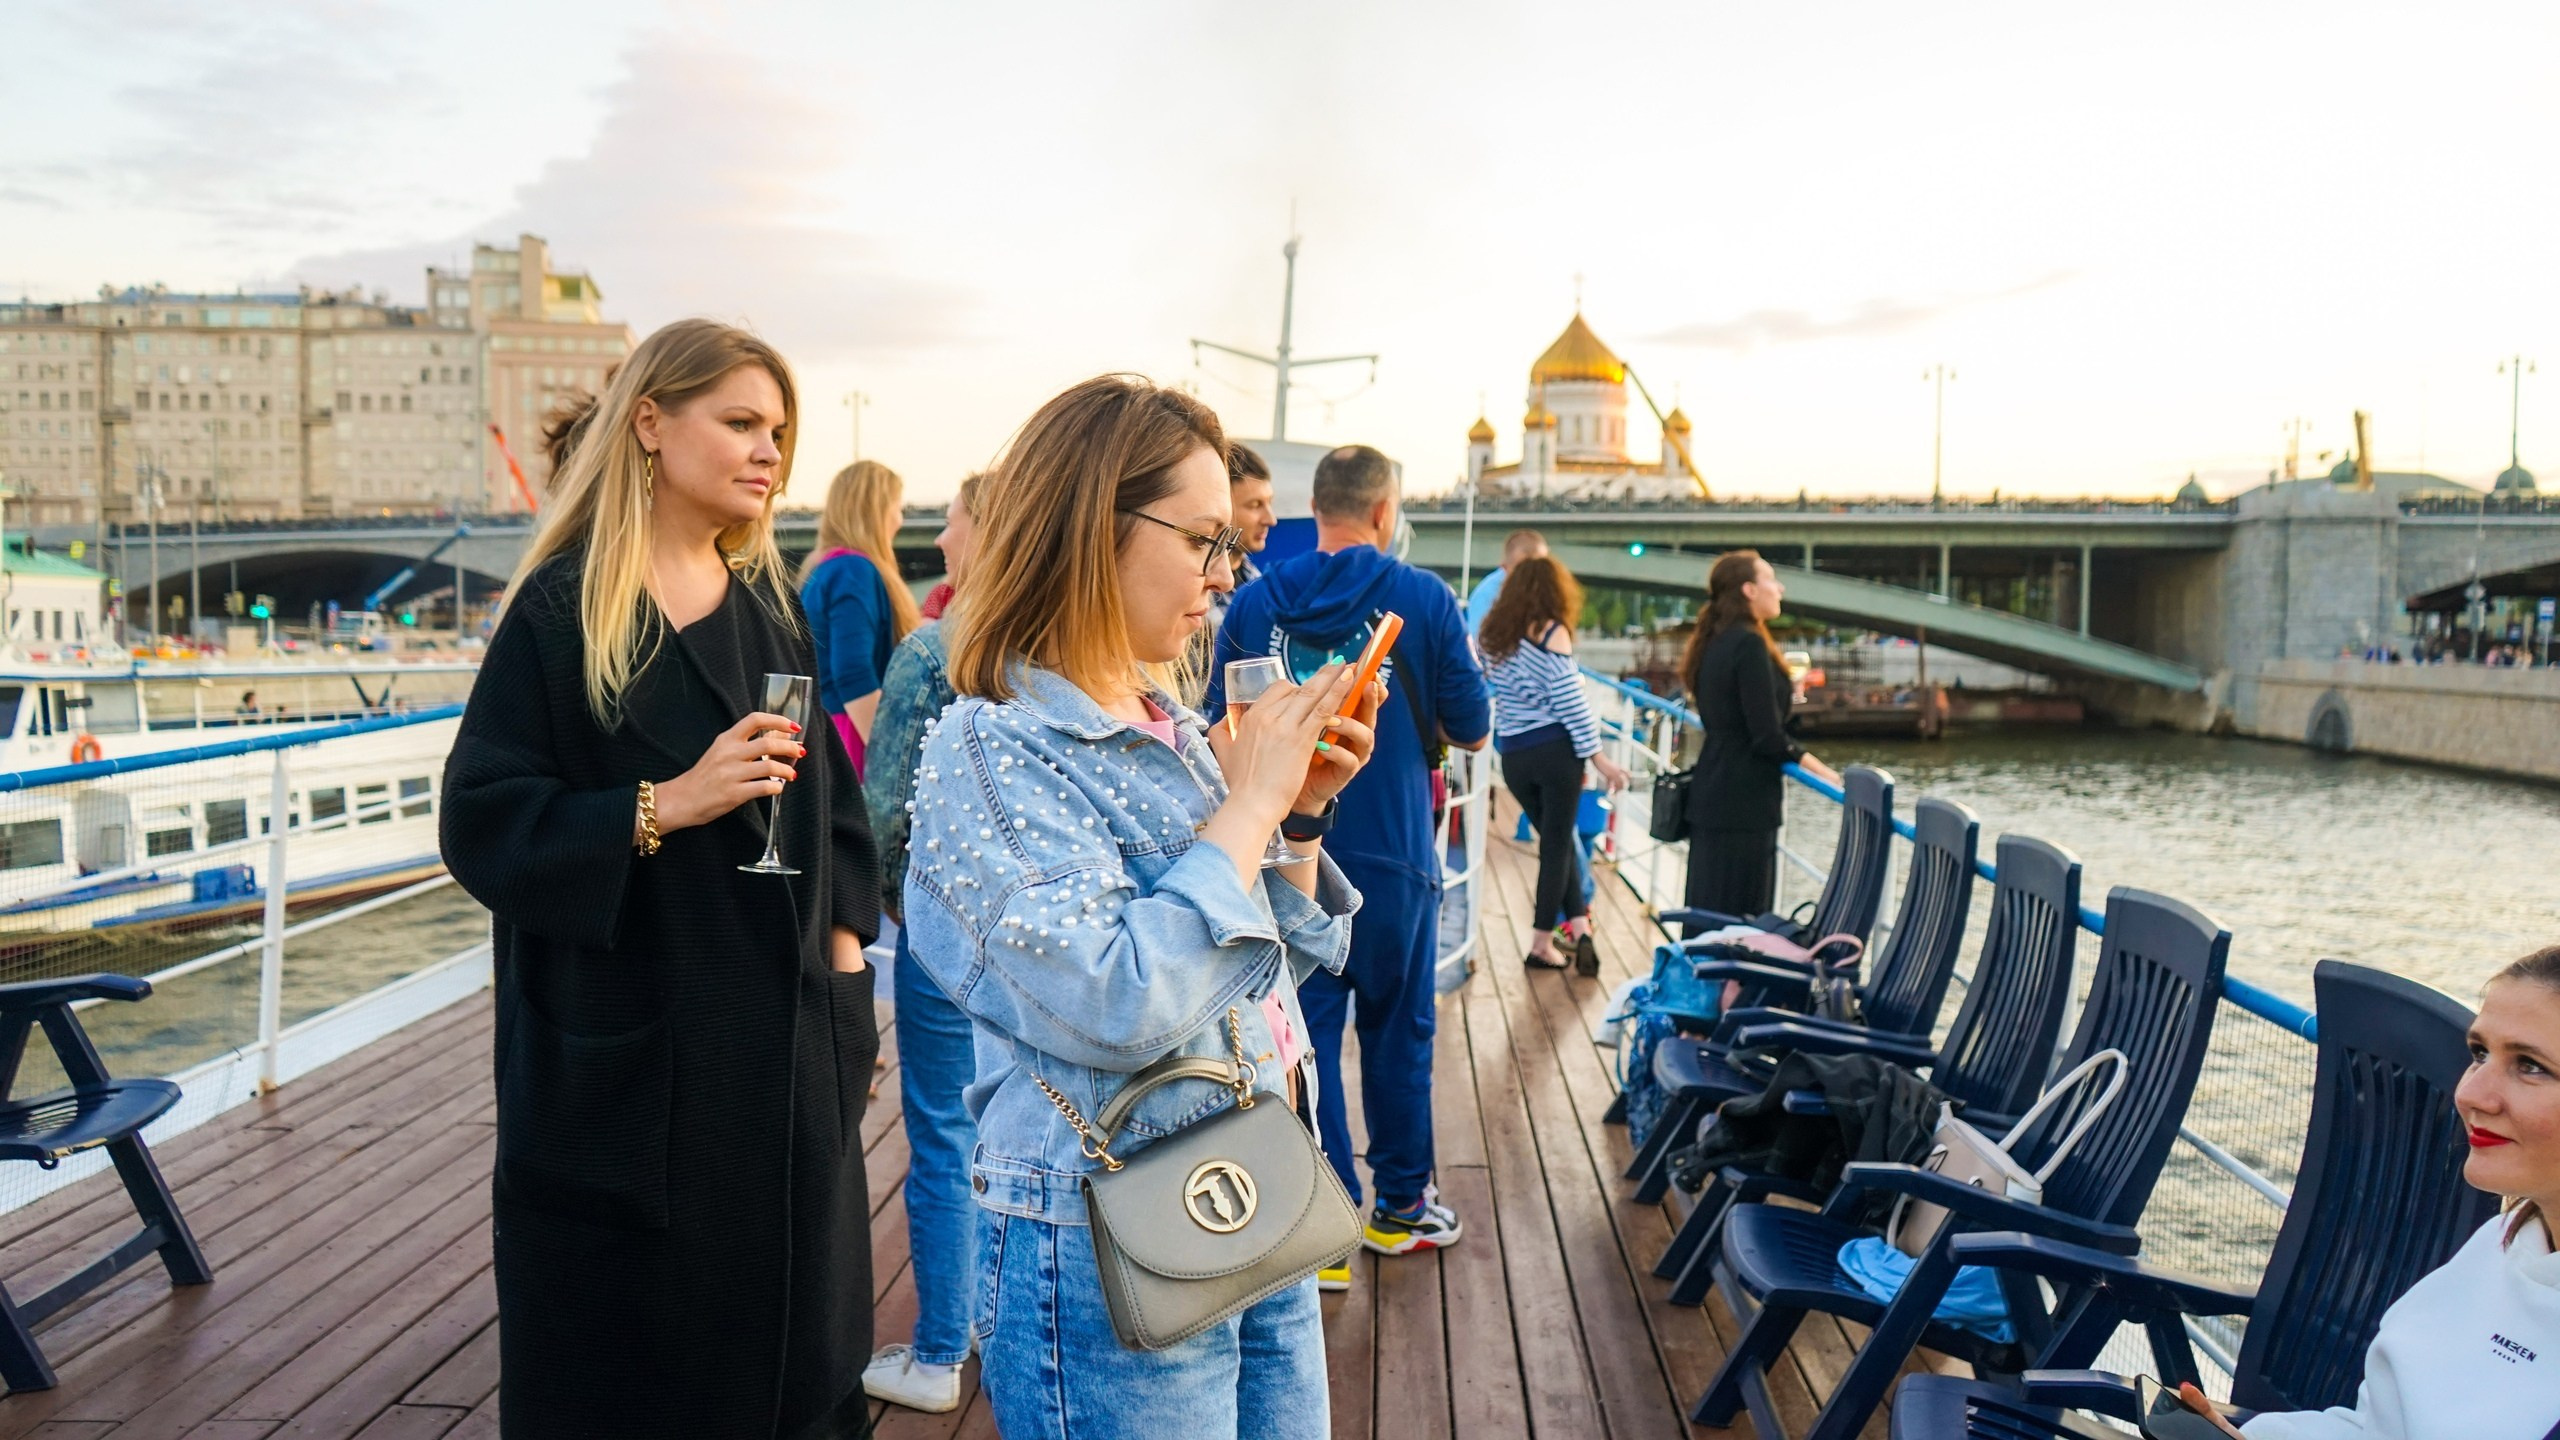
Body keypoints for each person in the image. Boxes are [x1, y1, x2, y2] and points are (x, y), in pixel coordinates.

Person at [902, 374, 1376, 1440]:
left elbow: (1254, 976)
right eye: (1204, 540)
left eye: (1228, 546)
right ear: (1092, 525)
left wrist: (1296, 819)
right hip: (1102, 1232)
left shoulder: (1168, 722)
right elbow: (1113, 1003)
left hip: (1248, 1186)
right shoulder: (994, 748)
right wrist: (1247, 804)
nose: (1226, 575)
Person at [440, 318, 883, 1439]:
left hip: (787, 1059)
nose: (767, 451)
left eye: (777, 431)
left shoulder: (771, 609)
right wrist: (665, 804)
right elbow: (481, 823)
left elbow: (834, 818)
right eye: (739, 422)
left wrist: (844, 982)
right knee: (635, 1370)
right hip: (627, 1068)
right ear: (650, 422)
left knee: (798, 1354)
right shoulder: (561, 614)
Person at [1208, 443, 1493, 1284]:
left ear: (1318, 509)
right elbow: (1473, 726)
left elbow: (1216, 731)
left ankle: (1325, 1228)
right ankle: (1401, 1209)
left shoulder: (1254, 602)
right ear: (1383, 511)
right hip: (1396, 857)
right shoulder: (1424, 598)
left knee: (1303, 1042)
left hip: (1287, 855)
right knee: (1400, 1034)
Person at [2241, 945, 2560, 1439]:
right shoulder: (2496, 1251)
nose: (2470, 1094)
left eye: (2530, 1066)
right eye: (2479, 1054)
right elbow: (2379, 1427)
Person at [856, 471, 985, 1414]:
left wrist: (890, 910)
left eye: (954, 521)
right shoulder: (1071, 647)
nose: (940, 540)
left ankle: (940, 1353)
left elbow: (884, 814)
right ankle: (1014, 1325)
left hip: (950, 928)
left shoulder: (934, 652)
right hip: (1054, 939)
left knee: (944, 1133)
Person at [1478, 555, 1630, 974]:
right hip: (1555, 754)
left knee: (1554, 840)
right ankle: (1541, 943)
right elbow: (1571, 704)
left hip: (1514, 756)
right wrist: (1601, 758)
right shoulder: (1551, 632)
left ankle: (1580, 929)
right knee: (1557, 847)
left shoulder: (1492, 635)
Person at [1678, 549, 1840, 927]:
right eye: (1771, 579)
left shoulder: (1715, 640)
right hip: (1744, 804)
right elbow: (1766, 736)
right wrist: (1820, 769)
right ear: (1749, 590)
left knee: (1708, 912)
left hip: (1712, 791)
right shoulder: (1750, 644)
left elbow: (1733, 716)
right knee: (1742, 921)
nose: (1780, 588)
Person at [801, 458, 921, 778]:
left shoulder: (825, 569)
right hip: (852, 741)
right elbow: (853, 674)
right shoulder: (853, 570)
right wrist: (894, 757)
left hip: (828, 732)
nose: (899, 520)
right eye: (897, 508)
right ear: (876, 510)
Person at [1463, 528, 1548, 635]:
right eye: (1524, 568)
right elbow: (1478, 639)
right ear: (1505, 565)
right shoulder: (1487, 594)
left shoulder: (1543, 593)